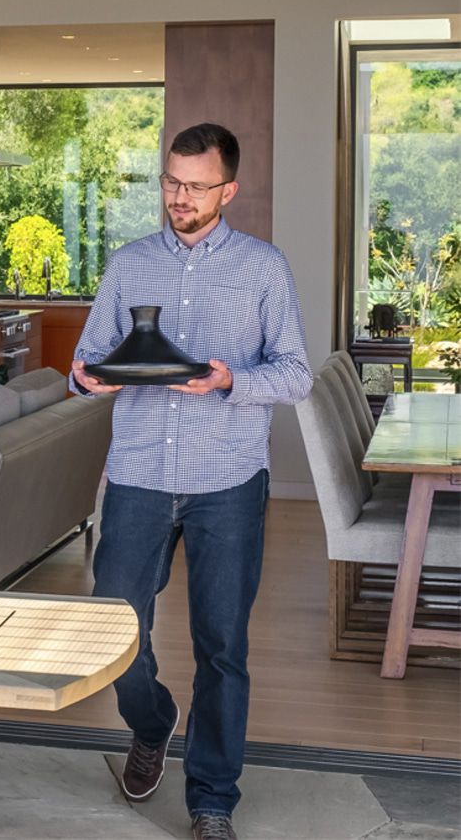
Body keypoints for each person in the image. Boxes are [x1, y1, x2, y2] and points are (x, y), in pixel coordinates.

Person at [71, 123, 311, 840]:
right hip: (140, 470)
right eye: (171, 182)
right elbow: (89, 361)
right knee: (113, 629)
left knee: (221, 643)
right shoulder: (129, 264)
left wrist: (230, 378)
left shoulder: (264, 269)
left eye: (196, 186)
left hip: (227, 477)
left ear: (227, 190)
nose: (179, 197)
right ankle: (152, 721)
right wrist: (87, 379)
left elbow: (296, 373)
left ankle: (211, 801)